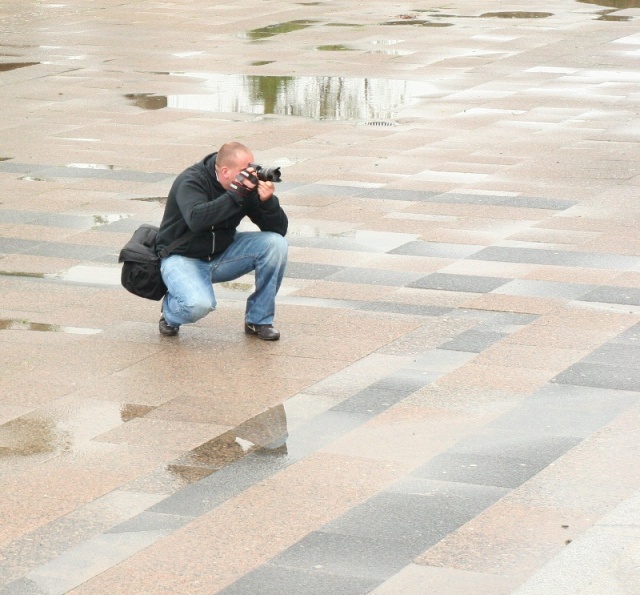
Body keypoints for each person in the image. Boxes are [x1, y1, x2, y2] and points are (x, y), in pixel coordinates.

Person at [155, 142, 288, 340]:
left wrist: (268, 202)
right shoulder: (191, 181)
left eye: (252, 167)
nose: (250, 174)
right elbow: (197, 220)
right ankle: (170, 313)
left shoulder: (245, 187)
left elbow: (279, 229)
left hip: (223, 254)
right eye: (245, 170)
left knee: (275, 244)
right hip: (183, 257)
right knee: (199, 305)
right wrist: (236, 194)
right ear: (225, 171)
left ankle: (258, 320)